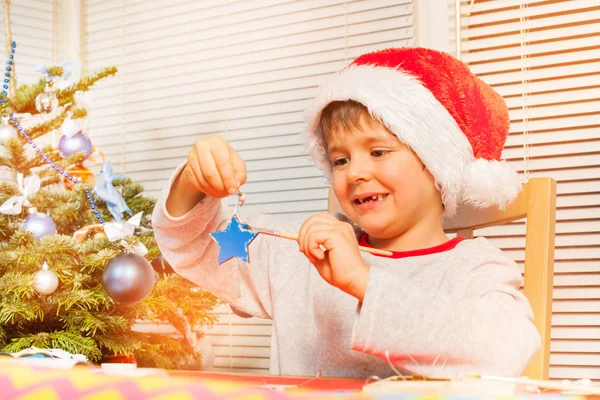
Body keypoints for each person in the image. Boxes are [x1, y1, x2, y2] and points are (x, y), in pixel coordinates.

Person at [152, 47, 540, 379]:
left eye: (378, 152)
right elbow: (193, 246)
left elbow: (505, 353)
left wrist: (364, 282)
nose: (353, 172)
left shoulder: (477, 268)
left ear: (437, 164)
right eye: (340, 159)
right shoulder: (299, 256)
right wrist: (194, 179)